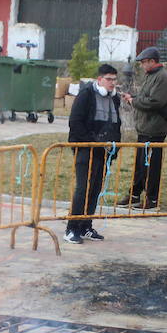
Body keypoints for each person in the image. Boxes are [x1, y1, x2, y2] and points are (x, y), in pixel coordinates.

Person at [66, 64, 126, 244]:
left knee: (95, 189)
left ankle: (85, 225)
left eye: (115, 80)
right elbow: (75, 122)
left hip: (104, 152)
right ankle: (72, 228)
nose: (112, 83)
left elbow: (116, 124)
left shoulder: (114, 99)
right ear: (99, 79)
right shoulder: (86, 95)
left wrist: (115, 147)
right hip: (85, 149)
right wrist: (92, 142)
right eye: (109, 79)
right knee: (83, 188)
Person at [120, 46, 167, 210]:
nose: (142, 65)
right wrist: (135, 98)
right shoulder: (151, 76)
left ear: (152, 61)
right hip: (145, 128)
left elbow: (155, 102)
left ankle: (152, 200)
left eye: (144, 62)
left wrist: (133, 101)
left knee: (152, 165)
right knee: (140, 165)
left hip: (154, 129)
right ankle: (135, 195)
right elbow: (147, 97)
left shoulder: (162, 78)